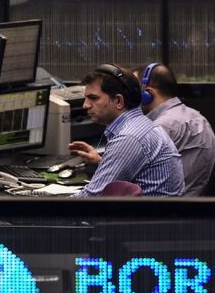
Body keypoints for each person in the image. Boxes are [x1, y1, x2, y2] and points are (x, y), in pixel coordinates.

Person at [68, 64, 184, 197]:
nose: (85, 105)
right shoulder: (142, 126)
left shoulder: (129, 137)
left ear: (118, 101)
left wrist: (42, 202)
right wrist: (102, 162)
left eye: (93, 98)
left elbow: (91, 198)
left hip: (146, 217)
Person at [139, 63, 215, 196]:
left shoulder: (162, 126)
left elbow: (135, 175)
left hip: (173, 208)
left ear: (148, 94)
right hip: (198, 202)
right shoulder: (197, 116)